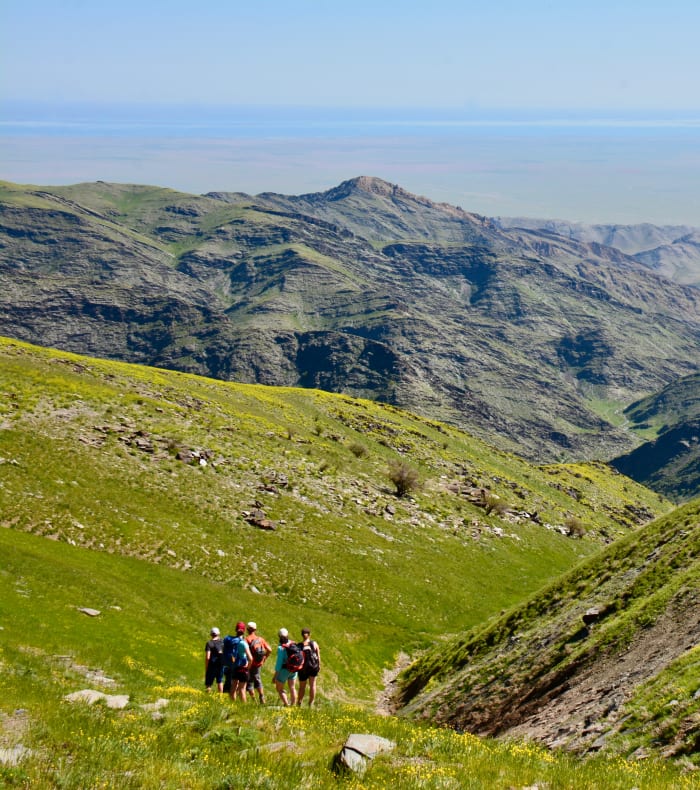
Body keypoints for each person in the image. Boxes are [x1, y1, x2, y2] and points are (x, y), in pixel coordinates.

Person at [245, 621, 272, 704]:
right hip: (258, 664)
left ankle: (254, 701)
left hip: (250, 663)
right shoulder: (260, 639)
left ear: (247, 630)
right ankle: (262, 697)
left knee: (249, 681)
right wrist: (264, 658)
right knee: (257, 679)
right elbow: (269, 650)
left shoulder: (247, 639)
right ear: (255, 629)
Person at [229, 621, 253, 702]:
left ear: (236, 630)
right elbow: (251, 658)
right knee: (242, 689)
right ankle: (243, 706)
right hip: (243, 668)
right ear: (244, 630)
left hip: (235, 666)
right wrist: (248, 667)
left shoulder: (232, 641)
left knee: (233, 686)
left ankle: (232, 704)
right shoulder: (243, 643)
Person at [273, 628, 298, 706]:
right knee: (292, 687)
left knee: (279, 689)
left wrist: (275, 676)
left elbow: (279, 663)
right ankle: (293, 705)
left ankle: (286, 704)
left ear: (279, 636)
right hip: (294, 669)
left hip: (285, 670)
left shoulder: (281, 648)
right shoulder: (293, 644)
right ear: (287, 635)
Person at [297, 628, 321, 707]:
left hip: (303, 668)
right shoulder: (314, 643)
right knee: (312, 685)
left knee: (302, 687)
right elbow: (318, 656)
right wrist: (319, 665)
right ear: (310, 634)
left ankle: (299, 703)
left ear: (302, 635)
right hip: (313, 667)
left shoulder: (299, 645)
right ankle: (311, 704)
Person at [204, 627, 224, 693]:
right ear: (218, 634)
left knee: (209, 682)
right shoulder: (222, 642)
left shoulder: (209, 643)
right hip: (220, 664)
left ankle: (208, 695)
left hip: (212, 665)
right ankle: (221, 696)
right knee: (220, 681)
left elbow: (208, 657)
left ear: (211, 634)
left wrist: (207, 667)